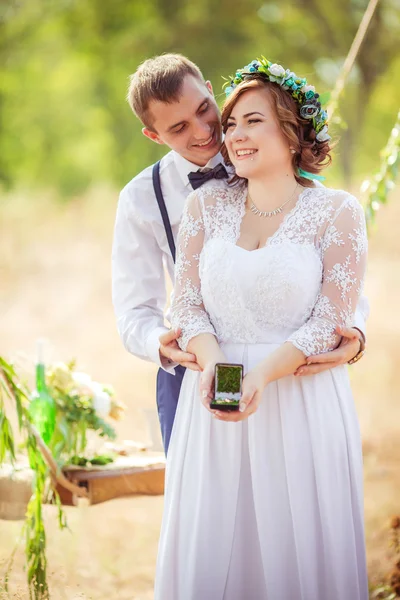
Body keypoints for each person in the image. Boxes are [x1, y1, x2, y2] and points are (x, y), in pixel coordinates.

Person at [154, 58, 369, 599]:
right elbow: (187, 303)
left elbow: (331, 316)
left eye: (253, 121)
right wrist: (210, 364)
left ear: (293, 133)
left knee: (294, 551)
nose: (234, 135)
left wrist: (265, 375)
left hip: (299, 404)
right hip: (215, 404)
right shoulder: (204, 206)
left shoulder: (337, 211)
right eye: (231, 124)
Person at [112, 54, 368, 454]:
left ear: (211, 91)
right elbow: (134, 310)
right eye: (179, 127)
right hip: (195, 367)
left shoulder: (273, 153)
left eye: (204, 110)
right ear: (154, 136)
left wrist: (353, 333)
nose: (206, 131)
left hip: (291, 373)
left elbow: (330, 271)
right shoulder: (142, 199)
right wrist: (167, 342)